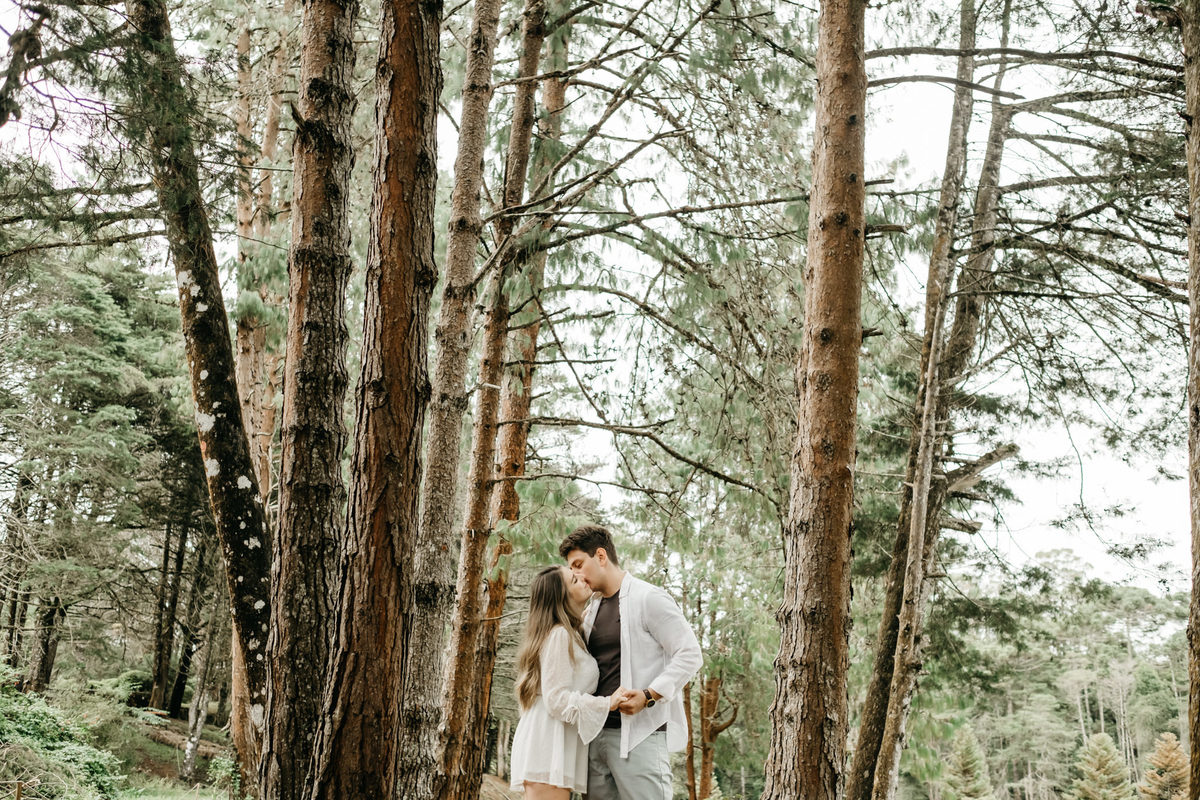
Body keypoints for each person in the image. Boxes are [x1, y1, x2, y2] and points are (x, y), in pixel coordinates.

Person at [560, 524, 703, 800]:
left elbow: (689, 653)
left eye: (578, 564)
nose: (575, 574)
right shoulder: (591, 610)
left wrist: (649, 695)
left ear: (601, 556)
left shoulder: (649, 598)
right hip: (595, 738)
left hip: (640, 738)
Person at [509, 564, 634, 798]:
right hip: (548, 742)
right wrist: (607, 703)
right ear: (562, 598)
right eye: (574, 581)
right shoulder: (559, 635)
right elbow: (556, 700)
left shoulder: (570, 633)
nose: (582, 578)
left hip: (555, 739)